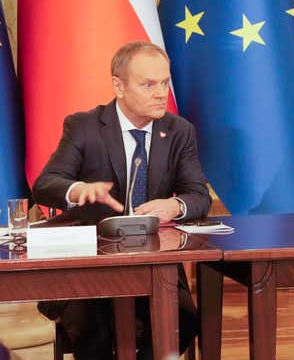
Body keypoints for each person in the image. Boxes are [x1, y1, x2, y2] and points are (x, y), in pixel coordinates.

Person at [33, 41, 212, 359]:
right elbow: (45, 185)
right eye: (149, 84)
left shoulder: (178, 131)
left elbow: (198, 194)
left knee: (183, 320)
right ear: (119, 86)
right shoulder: (85, 126)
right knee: (94, 330)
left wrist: (175, 205)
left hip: (154, 267)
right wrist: (78, 190)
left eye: (164, 83)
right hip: (88, 267)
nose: (161, 93)